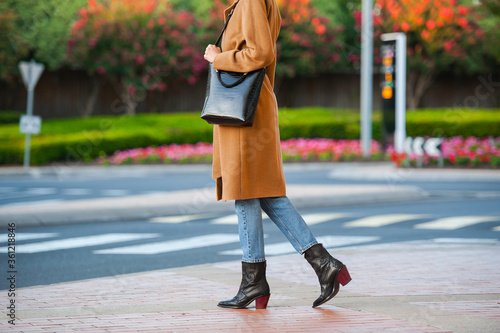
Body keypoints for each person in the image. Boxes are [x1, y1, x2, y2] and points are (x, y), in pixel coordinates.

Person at [203, 0, 351, 310]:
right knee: (262, 192)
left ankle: (255, 280)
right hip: (244, 112)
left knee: (244, 192)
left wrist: (219, 58)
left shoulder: (251, 2)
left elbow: (261, 53)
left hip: (246, 114)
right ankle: (323, 264)